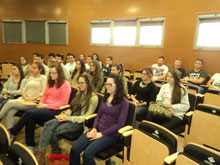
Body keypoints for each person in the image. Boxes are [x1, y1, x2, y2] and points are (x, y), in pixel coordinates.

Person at [36, 73, 98, 165]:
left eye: (82, 83)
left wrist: (68, 118)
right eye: (79, 83)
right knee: (48, 125)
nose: (79, 85)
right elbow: (72, 108)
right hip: (69, 118)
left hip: (79, 123)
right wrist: (65, 113)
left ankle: (55, 150)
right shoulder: (79, 93)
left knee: (53, 130)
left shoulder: (93, 98)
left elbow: (85, 118)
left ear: (88, 83)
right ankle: (43, 153)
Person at [9, 63, 71, 153]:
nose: (52, 75)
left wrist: (45, 105)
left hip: (56, 110)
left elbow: (63, 103)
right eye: (51, 73)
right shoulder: (51, 83)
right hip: (45, 108)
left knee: (30, 113)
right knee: (30, 119)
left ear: (60, 73)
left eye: (54, 73)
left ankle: (13, 133)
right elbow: (45, 96)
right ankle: (30, 145)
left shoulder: (65, 85)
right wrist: (41, 103)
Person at [69, 74, 129, 165]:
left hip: (111, 134)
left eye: (110, 84)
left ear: (118, 85)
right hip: (97, 130)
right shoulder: (105, 97)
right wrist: (94, 128)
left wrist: (101, 134)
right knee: (74, 149)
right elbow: (98, 116)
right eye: (106, 84)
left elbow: (120, 124)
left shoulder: (124, 102)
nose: (107, 87)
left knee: (87, 155)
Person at [0, 62, 47, 129]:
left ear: (40, 70)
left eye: (34, 68)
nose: (31, 69)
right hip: (24, 99)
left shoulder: (43, 78)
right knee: (11, 111)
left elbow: (44, 92)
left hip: (33, 101)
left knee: (9, 102)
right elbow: (24, 90)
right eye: (31, 67)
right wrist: (25, 97)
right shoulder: (30, 78)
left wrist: (32, 98)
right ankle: (9, 131)